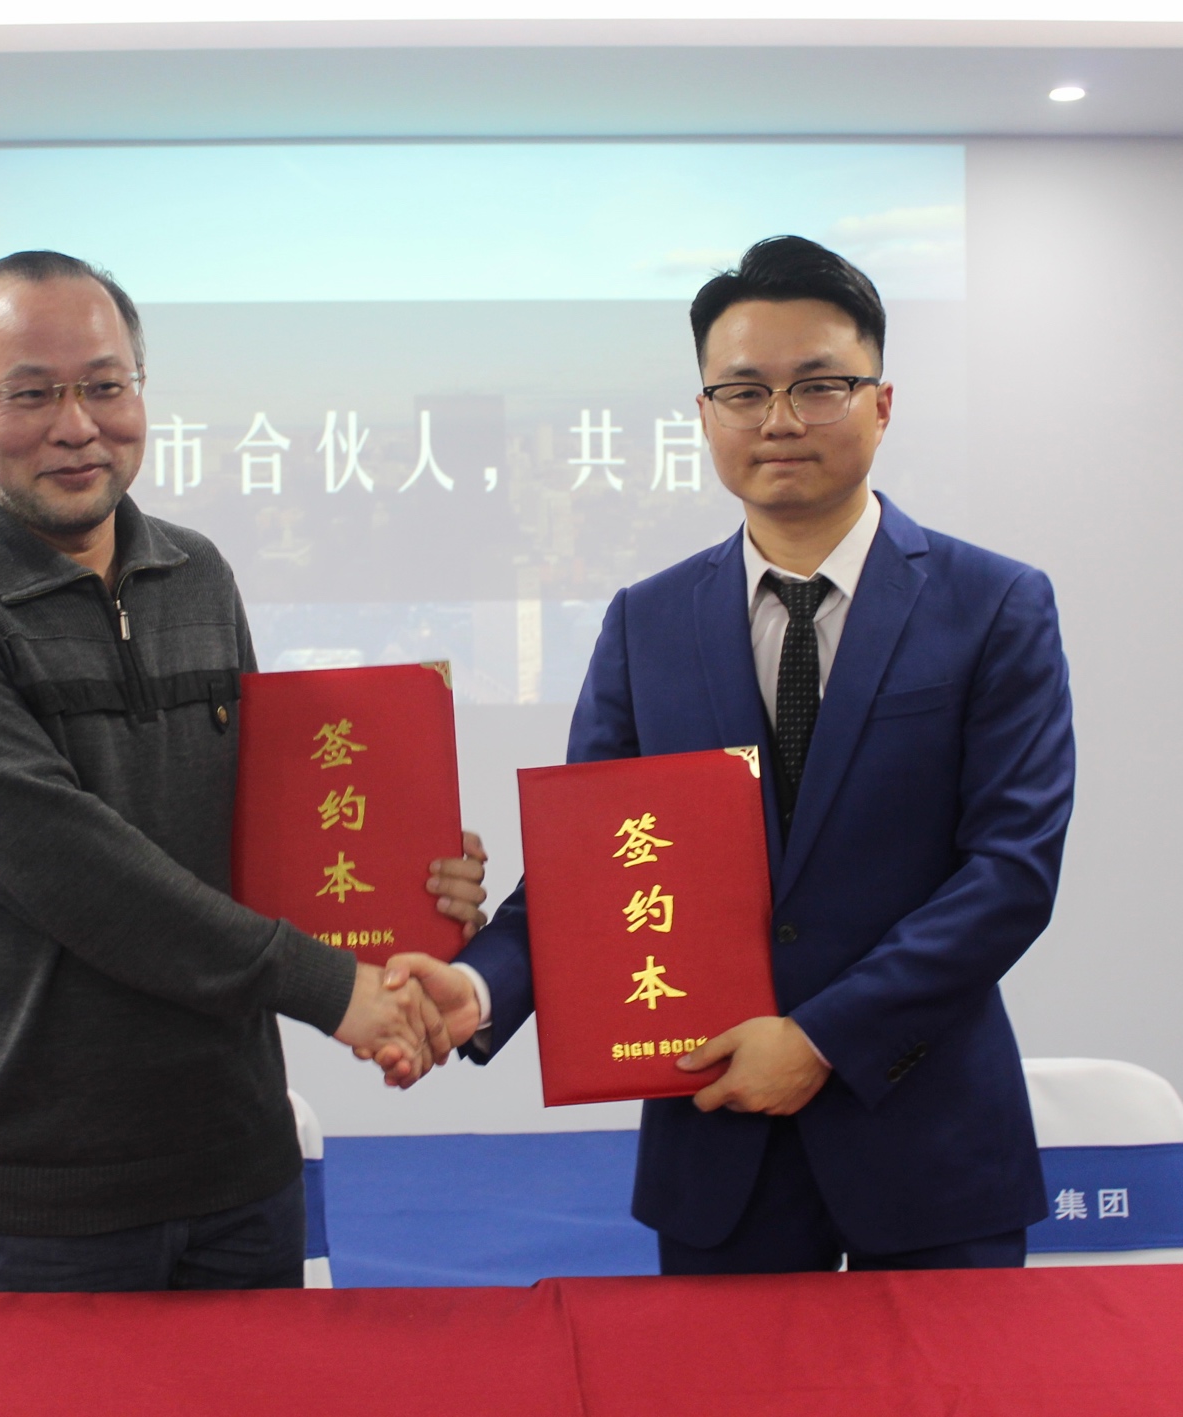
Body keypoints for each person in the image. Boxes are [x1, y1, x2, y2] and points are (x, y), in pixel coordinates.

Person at [384, 236, 1074, 1273]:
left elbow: (1010, 874)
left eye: (820, 386)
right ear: (705, 415)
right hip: (718, 1141)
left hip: (927, 1139)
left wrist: (822, 1038)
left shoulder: (995, 605)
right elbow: (590, 869)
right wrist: (477, 989)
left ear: (883, 403)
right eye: (744, 392)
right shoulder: (646, 622)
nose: (780, 420)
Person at [0, 250, 488, 1292]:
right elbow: (76, 871)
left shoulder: (197, 574)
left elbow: (269, 830)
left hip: (242, 1160)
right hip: (48, 1193)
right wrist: (335, 988)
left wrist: (410, 882)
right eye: (30, 393)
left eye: (105, 385)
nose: (76, 424)